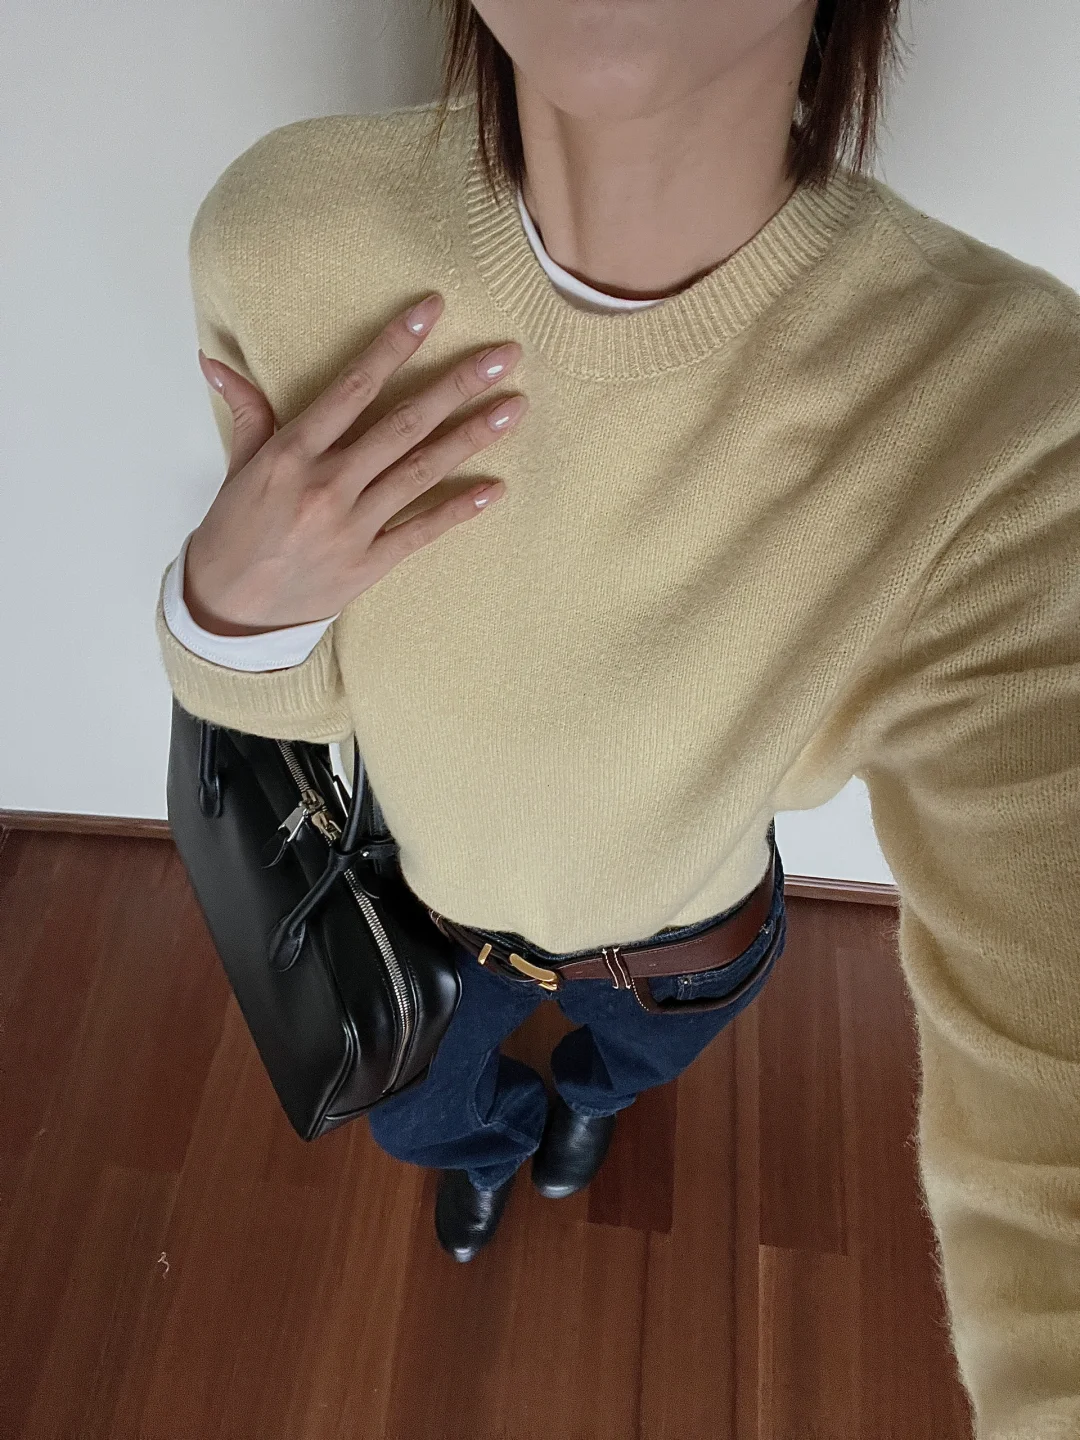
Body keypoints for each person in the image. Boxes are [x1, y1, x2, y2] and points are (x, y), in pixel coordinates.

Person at [155, 4, 1080, 1436]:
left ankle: (588, 1102)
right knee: (421, 1123)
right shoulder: (289, 236)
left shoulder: (1004, 416)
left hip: (687, 953)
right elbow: (320, 693)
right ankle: (495, 1147)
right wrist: (226, 600)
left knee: (631, 1071)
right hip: (429, 927)